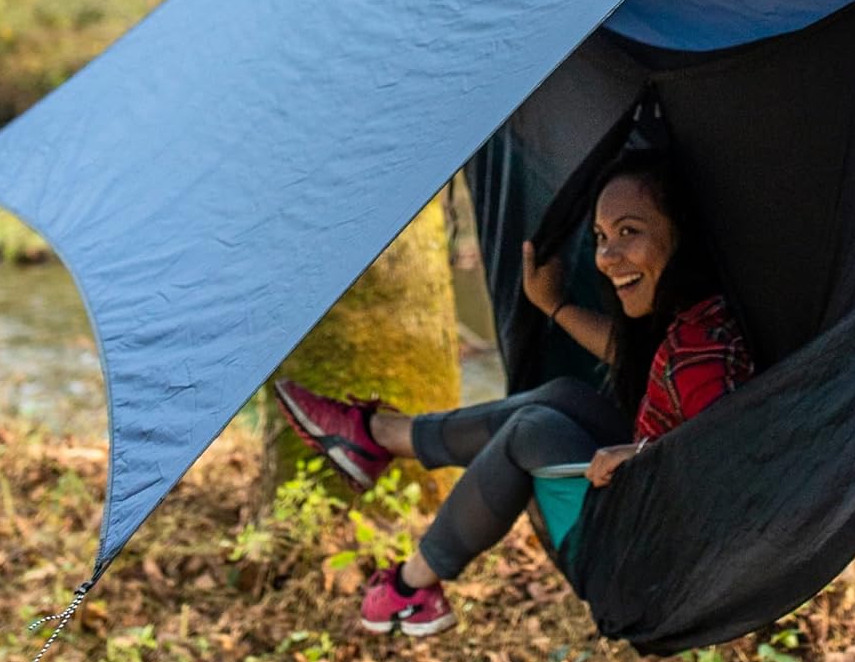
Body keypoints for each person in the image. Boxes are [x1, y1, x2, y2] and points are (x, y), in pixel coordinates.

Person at [274, 149, 753, 637]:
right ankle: (377, 438)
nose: (607, 257)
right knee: (565, 396)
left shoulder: (697, 356)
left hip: (650, 569)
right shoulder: (702, 315)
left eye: (630, 231)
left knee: (533, 431)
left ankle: (410, 586)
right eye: (601, 237)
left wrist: (641, 454)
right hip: (649, 518)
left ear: (681, 230)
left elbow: (725, 466)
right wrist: (556, 305)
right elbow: (647, 363)